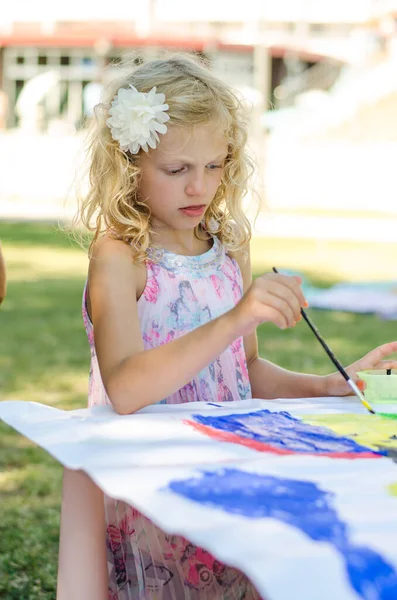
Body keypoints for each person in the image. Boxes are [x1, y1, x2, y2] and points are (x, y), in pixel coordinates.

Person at [58, 54, 397, 600]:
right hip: (156, 481)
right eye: (178, 170)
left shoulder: (229, 248)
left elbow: (248, 370)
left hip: (231, 474)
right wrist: (236, 317)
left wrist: (330, 385)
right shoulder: (121, 255)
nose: (201, 187)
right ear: (130, 165)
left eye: (216, 166)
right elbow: (123, 388)